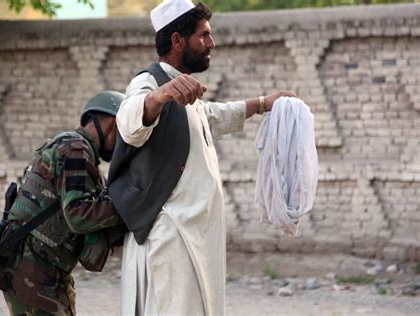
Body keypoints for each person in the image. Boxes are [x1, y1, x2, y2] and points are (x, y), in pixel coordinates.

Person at [108, 1, 296, 315]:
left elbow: (212, 115)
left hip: (193, 239)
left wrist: (264, 103)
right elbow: (128, 122)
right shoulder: (149, 82)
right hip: (170, 239)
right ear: (177, 41)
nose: (211, 43)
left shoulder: (187, 93)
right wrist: (160, 95)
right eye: (203, 36)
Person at [0, 91, 126, 316]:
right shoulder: (75, 151)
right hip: (34, 266)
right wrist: (128, 203)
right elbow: (79, 215)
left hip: (40, 264)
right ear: (114, 124)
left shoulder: (71, 147)